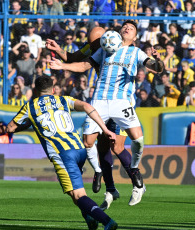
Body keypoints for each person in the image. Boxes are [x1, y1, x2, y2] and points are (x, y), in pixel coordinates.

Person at [49, 21, 164, 207]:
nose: (96, 42)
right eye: (124, 27)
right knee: (99, 147)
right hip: (100, 101)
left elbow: (155, 67)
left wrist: (158, 60)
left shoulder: (134, 52)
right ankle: (109, 188)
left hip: (121, 103)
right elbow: (78, 61)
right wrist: (61, 64)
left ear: (134, 37)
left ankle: (136, 180)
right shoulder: (103, 47)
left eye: (131, 28)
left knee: (117, 146)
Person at [7, 76, 118, 230]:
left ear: (35, 90)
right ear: (53, 89)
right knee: (77, 194)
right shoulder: (63, 100)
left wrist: (30, 122)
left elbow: (10, 128)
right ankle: (90, 218)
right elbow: (86, 106)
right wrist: (105, 129)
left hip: (63, 154)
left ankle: (107, 221)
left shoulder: (30, 107)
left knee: (78, 195)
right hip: (79, 148)